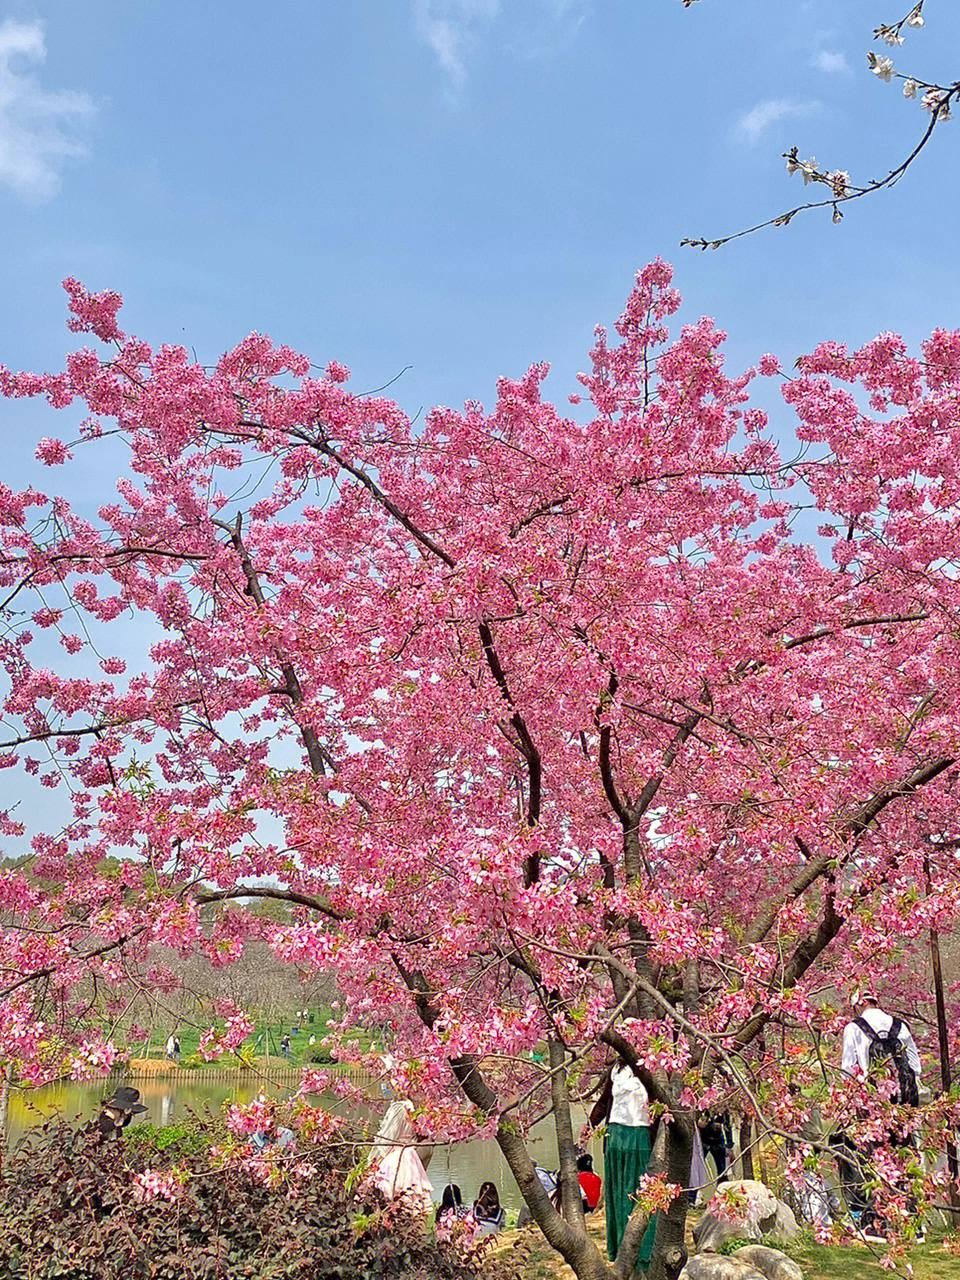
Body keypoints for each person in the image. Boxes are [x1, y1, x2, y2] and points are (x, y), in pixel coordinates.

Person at [838, 992, 923, 1243]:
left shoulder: (854, 1028)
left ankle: (877, 1225)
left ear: (858, 1005)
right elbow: (915, 1066)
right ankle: (914, 1225)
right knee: (905, 1159)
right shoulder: (900, 1026)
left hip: (873, 1106)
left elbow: (847, 1069)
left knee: (874, 1162)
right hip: (904, 1107)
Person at [590, 1061, 658, 1268]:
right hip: (616, 1137)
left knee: (643, 1193)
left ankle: (645, 1251)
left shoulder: (654, 1067)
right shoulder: (615, 1070)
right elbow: (604, 1102)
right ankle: (621, 1248)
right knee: (619, 1194)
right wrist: (589, 1126)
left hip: (641, 1137)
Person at [369, 1099, 433, 1211]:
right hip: (410, 1152)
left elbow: (388, 1138)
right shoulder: (417, 1110)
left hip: (398, 1154)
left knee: (395, 1187)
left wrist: (372, 1161)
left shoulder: (400, 1107)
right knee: (412, 1190)